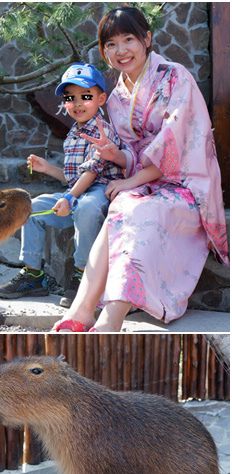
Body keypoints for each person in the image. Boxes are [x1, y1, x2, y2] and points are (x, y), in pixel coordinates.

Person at [53, 6, 229, 332]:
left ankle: (112, 316)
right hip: (146, 181)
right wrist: (115, 155)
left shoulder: (175, 77)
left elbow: (177, 144)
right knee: (121, 205)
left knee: (141, 213)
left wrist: (132, 178)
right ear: (103, 51)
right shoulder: (117, 94)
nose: (120, 51)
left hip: (186, 183)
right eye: (110, 44)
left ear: (147, 39)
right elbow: (132, 152)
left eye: (128, 39)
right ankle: (81, 310)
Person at [0, 63, 130, 307]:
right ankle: (34, 276)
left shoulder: (103, 131)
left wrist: (69, 198)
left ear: (101, 99)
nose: (77, 103)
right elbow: (74, 178)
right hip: (77, 193)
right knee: (33, 208)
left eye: (85, 97)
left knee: (87, 207)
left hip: (98, 194)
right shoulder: (72, 135)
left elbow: (91, 172)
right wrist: (48, 169)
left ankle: (82, 277)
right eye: (70, 98)